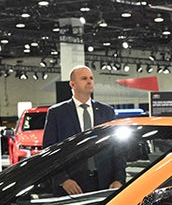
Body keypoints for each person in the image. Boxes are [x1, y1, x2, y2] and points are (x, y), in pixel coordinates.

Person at [41, 65, 124, 195]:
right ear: (72, 84)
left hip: (104, 183)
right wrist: (62, 180)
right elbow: (49, 150)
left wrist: (119, 179)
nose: (89, 81)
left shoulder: (106, 111)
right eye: (84, 78)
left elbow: (117, 147)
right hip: (71, 184)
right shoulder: (57, 113)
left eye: (91, 78)